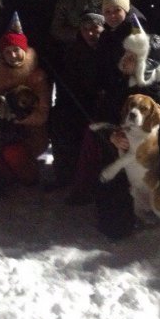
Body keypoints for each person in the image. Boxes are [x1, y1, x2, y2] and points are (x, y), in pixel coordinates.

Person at [69, 22, 160, 239]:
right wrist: (111, 136)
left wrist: (158, 128)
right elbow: (99, 119)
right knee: (115, 227)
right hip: (125, 165)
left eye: (133, 56)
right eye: (126, 53)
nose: (126, 59)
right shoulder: (118, 87)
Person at [0, 15, 51, 186]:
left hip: (31, 130)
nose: (12, 55)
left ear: (24, 50)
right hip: (4, 128)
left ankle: (29, 177)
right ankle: (6, 177)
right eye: (7, 52)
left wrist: (19, 118)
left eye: (16, 50)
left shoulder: (37, 76)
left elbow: (43, 113)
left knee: (13, 152)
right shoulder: (0, 74)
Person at [49, 11, 105, 188]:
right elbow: (67, 83)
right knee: (60, 122)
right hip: (78, 103)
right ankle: (65, 176)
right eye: (85, 29)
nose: (90, 33)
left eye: (95, 28)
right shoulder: (74, 51)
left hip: (103, 105)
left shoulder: (110, 49)